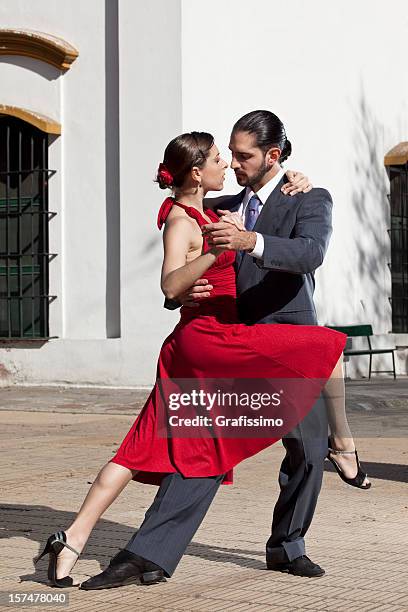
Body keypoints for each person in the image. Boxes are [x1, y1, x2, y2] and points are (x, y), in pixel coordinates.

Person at [34, 125, 349, 591]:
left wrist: (251, 242)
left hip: (283, 337)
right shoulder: (216, 206)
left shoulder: (307, 196)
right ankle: (146, 555)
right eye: (229, 156)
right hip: (221, 344)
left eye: (243, 157)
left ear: (272, 155)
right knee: (202, 449)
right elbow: (179, 265)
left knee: (305, 448)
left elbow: (310, 253)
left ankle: (287, 545)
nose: (235, 164)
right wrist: (185, 296)